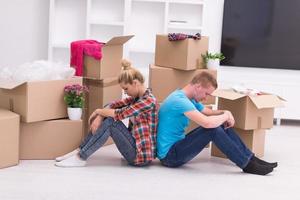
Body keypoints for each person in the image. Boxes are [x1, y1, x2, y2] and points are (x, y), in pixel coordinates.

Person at [157, 72, 277, 175]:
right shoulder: (180, 101)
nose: (206, 98)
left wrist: (225, 112)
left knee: (219, 124)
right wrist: (225, 116)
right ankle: (247, 165)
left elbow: (207, 112)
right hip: (170, 156)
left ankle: (251, 158)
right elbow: (207, 123)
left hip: (177, 147)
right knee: (212, 129)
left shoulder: (187, 97)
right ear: (198, 86)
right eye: (206, 94)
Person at [55, 59, 159, 167]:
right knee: (108, 116)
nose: (125, 93)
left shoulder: (148, 101)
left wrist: (98, 111)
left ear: (135, 83)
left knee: (111, 122)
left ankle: (81, 157)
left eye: (126, 89)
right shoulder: (136, 98)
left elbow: (120, 113)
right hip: (134, 148)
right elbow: (112, 105)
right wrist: (100, 116)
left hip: (140, 156)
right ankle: (79, 150)